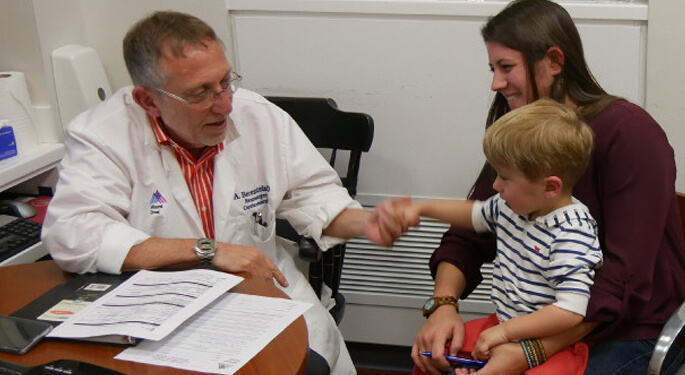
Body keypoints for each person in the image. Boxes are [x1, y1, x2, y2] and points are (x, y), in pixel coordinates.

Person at [41, 11, 406, 375]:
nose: (226, 105)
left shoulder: (259, 116)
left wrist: (367, 221)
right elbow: (74, 235)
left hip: (263, 295)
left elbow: (316, 195)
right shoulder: (101, 135)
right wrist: (208, 252)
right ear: (148, 100)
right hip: (162, 308)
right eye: (200, 93)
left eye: (225, 82)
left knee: (302, 366)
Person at [411, 1, 685, 374]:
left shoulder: (630, 133)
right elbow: (470, 233)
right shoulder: (525, 130)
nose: (495, 83)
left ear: (554, 61)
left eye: (507, 67)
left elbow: (623, 281)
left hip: (624, 330)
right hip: (542, 319)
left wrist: (532, 351)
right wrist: (442, 306)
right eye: (493, 68)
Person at [405, 99, 602, 374]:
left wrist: (506, 333)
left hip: (549, 344)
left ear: (550, 186)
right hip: (503, 325)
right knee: (434, 355)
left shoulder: (572, 232)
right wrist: (422, 208)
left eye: (505, 177)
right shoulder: (511, 205)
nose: (495, 185)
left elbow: (570, 311)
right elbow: (474, 215)